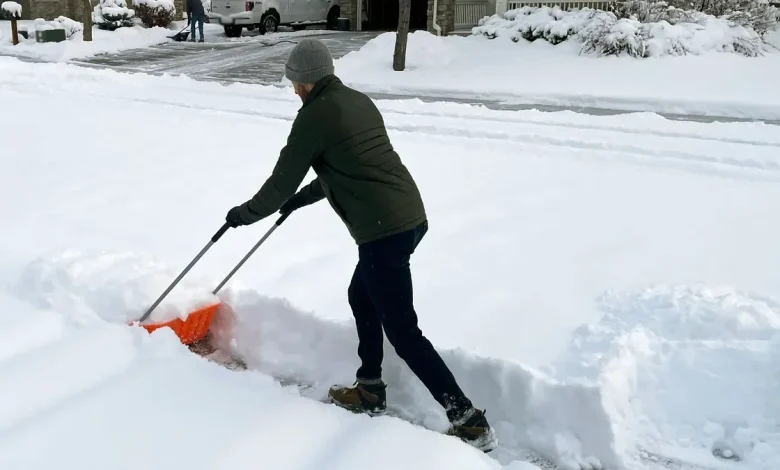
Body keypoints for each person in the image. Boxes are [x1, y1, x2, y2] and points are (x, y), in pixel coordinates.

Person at [224, 38, 497, 452]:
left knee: (403, 331)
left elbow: (280, 184)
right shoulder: (355, 101)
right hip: (408, 216)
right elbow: (348, 167)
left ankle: (467, 419)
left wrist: (243, 214)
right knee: (362, 296)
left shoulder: (314, 116)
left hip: (383, 230)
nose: (293, 89)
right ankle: (370, 388)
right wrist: (303, 199)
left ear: (305, 80)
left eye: (294, 82)